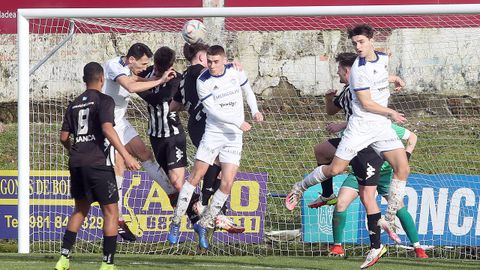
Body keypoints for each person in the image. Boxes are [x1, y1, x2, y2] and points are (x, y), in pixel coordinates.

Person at [287, 24, 409, 269]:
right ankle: (300, 187)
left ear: (372, 41)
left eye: (361, 42)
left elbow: (378, 75)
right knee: (334, 169)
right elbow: (366, 102)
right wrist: (392, 112)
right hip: (361, 127)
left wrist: (393, 78)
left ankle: (386, 224)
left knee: (402, 168)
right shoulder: (357, 72)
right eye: (355, 44)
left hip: (380, 127)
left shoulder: (382, 58)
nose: (358, 47)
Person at [167, 45, 263, 249]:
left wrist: (255, 111)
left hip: (234, 136)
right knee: (195, 177)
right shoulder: (203, 81)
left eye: (216, 61)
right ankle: (175, 222)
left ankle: (205, 222)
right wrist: (238, 122)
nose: (211, 65)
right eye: (209, 61)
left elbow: (248, 91)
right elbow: (214, 113)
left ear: (224, 60)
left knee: (227, 183)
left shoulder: (235, 71)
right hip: (214, 133)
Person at [55, 62, 140, 270]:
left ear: (85, 80)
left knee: (80, 210)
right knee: (111, 213)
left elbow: (64, 137)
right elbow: (107, 129)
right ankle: (107, 263)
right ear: (102, 79)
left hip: (76, 163)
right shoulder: (105, 100)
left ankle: (63, 259)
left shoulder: (73, 103)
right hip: (97, 163)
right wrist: (126, 155)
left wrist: (72, 150)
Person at [103, 43, 177, 241]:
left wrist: (158, 79)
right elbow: (131, 86)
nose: (145, 67)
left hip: (120, 120)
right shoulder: (113, 65)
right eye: (143, 63)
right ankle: (117, 219)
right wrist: (159, 79)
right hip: (105, 123)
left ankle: (172, 195)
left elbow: (137, 78)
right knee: (120, 166)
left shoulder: (129, 69)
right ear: (131, 59)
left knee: (144, 154)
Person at [328, 124, 428, 259]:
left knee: (398, 207)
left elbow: (412, 137)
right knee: (341, 203)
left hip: (384, 175)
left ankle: (418, 248)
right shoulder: (352, 127)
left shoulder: (387, 126)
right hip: (360, 173)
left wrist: (404, 160)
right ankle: (337, 246)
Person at [137, 46, 200, 227]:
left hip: (173, 136)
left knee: (177, 183)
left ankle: (198, 207)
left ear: (171, 66)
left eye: (161, 69)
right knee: (173, 188)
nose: (156, 71)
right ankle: (196, 219)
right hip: (155, 136)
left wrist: (139, 87)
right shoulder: (149, 72)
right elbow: (132, 76)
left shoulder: (176, 80)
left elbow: (157, 99)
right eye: (156, 67)